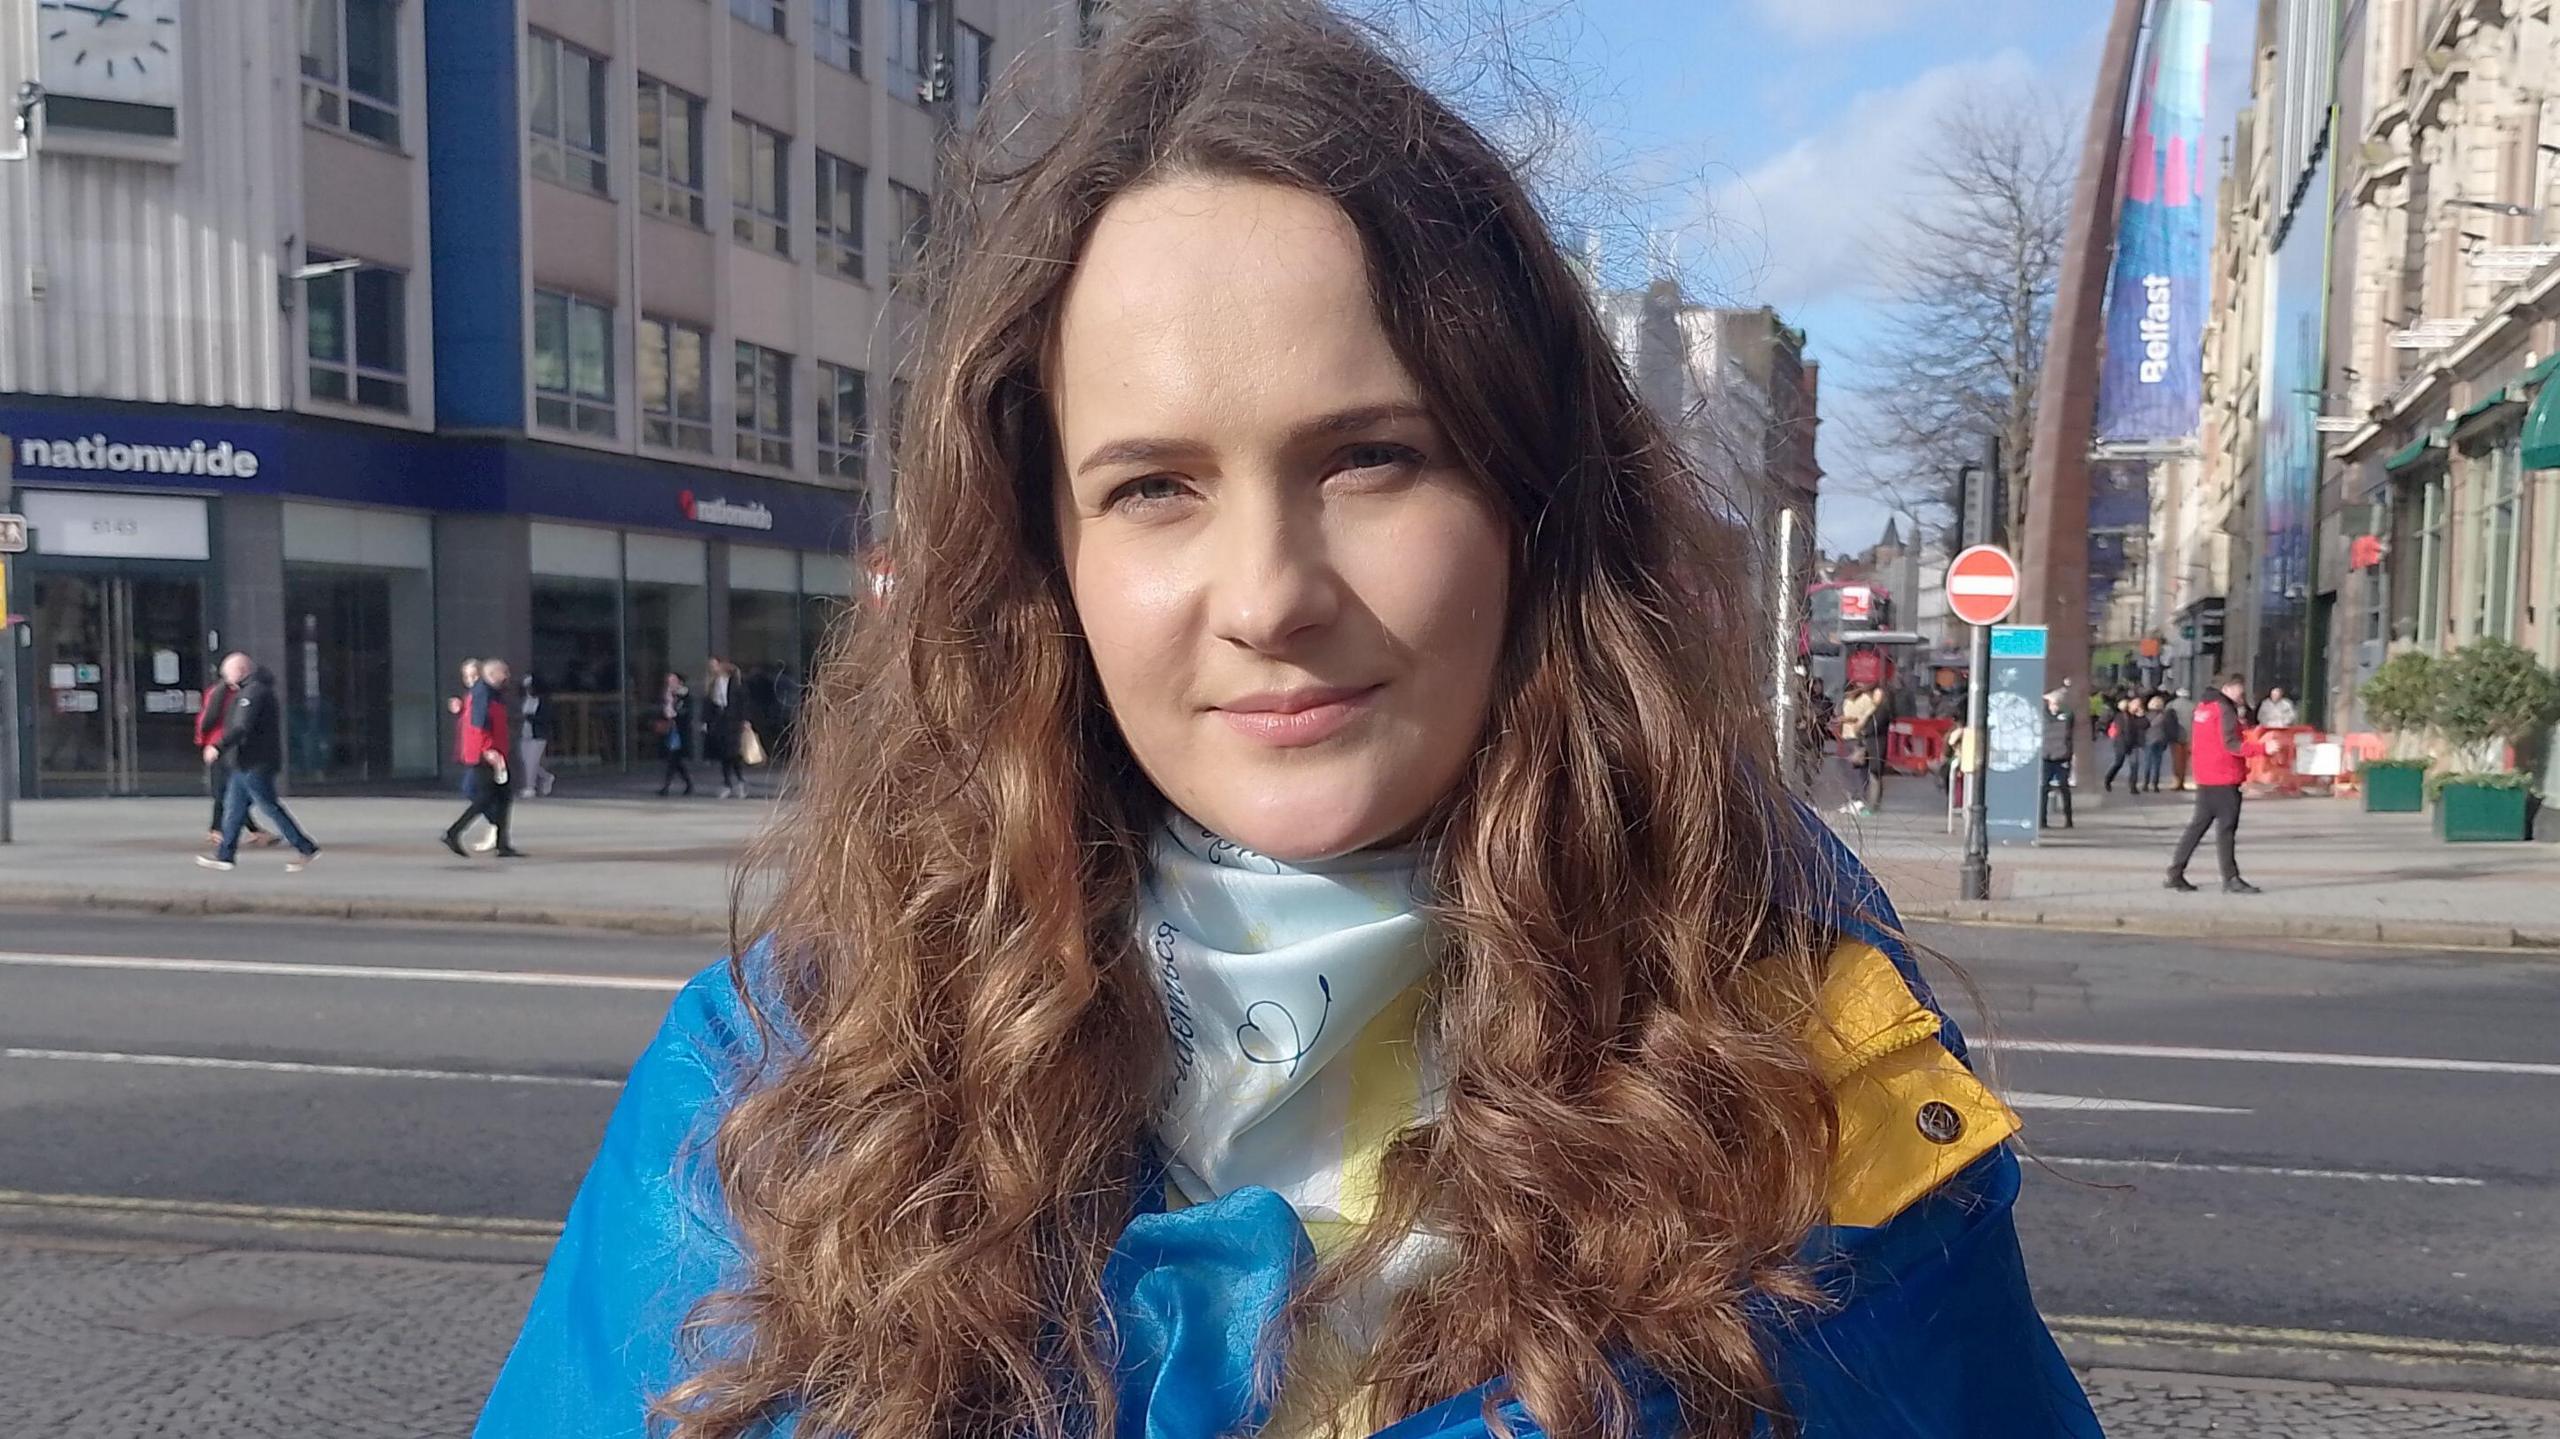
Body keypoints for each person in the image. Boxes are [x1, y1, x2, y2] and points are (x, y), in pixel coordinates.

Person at [474, 7, 2097, 1437]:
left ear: (1534, 501)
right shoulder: (776, 1087)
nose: (1267, 591)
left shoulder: (1804, 1086)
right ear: (1049, 558)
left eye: (1369, 456)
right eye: (1156, 486)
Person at [195, 652, 320, 873]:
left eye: (227, 673)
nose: (225, 678)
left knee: (269, 806)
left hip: (254, 762)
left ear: (241, 671)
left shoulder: (252, 693)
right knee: (233, 809)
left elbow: (242, 726)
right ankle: (225, 856)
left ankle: (306, 847)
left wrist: (218, 746)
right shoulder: (250, 691)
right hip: (244, 762)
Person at [2167, 672, 2265, 895]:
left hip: (2205, 776)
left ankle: (2175, 872)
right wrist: (2262, 750)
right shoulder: (2224, 709)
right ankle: (2230, 878)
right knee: (2226, 829)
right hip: (2224, 776)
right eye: (2240, 691)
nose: (2242, 696)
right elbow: (2232, 744)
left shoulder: (2204, 706)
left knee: (2197, 827)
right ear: (2229, 688)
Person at [443, 658, 524, 859]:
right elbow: (480, 724)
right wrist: (489, 750)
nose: (507, 676)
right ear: (492, 674)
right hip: (485, 756)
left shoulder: (491, 694)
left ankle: (502, 843)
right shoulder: (483, 694)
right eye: (503, 673)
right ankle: (454, 832)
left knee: (503, 796)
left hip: (494, 753)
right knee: (484, 797)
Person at [193, 667, 270, 850]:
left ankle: (232, 830)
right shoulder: (230, 694)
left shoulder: (220, 692)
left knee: (232, 791)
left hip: (221, 744)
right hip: (224, 745)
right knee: (230, 791)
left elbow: (206, 719)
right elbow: (213, 719)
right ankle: (222, 829)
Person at [702, 658, 750, 799]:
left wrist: (745, 720)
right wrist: (706, 722)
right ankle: (727, 783)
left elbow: (743, 703)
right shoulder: (712, 685)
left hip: (734, 721)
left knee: (733, 753)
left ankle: (740, 781)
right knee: (724, 754)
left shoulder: (736, 684)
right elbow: (709, 705)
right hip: (720, 721)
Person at [654, 671, 696, 797]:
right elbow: (663, 711)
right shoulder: (667, 696)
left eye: (672, 681)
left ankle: (667, 787)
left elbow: (686, 713)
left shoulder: (685, 696)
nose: (669, 684)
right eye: (668, 681)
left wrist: (675, 715)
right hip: (669, 730)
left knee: (673, 759)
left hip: (679, 731)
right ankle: (688, 784)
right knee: (675, 760)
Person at [2040, 687, 2076, 829]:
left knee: (2064, 787)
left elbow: (2070, 720)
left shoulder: (2067, 716)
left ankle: (2068, 819)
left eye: (2057, 704)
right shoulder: (2043, 715)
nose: (2055, 706)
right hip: (2046, 756)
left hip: (2061, 756)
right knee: (2043, 788)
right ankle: (2042, 819)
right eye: (2053, 703)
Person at [518, 671, 558, 799]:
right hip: (525, 733)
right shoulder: (525, 700)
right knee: (526, 761)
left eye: (530, 686)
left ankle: (530, 788)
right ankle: (546, 777)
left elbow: (546, 717)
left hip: (539, 734)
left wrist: (529, 718)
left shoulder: (544, 701)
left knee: (532, 761)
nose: (528, 689)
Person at [2100, 692, 2143, 793]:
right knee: (2118, 763)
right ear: (2130, 704)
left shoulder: (2138, 716)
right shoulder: (2120, 715)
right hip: (2121, 742)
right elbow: (2115, 726)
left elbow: (2145, 725)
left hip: (2134, 743)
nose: (2138, 706)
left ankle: (2133, 786)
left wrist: (2141, 716)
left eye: (2139, 704)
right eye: (2136, 703)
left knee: (2134, 765)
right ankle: (2108, 779)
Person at [2140, 693, 2180, 794]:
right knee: (2157, 763)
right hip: (2161, 740)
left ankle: (2146, 783)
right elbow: (2168, 729)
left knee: (2148, 762)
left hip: (2149, 740)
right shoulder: (2165, 716)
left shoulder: (2146, 715)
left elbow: (2142, 728)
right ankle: (2155, 784)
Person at [2167, 685, 2197, 790]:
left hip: (2175, 736)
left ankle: (2176, 781)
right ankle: (2182, 780)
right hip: (2189, 736)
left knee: (2176, 760)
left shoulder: (2171, 705)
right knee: (2185, 761)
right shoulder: (2193, 706)